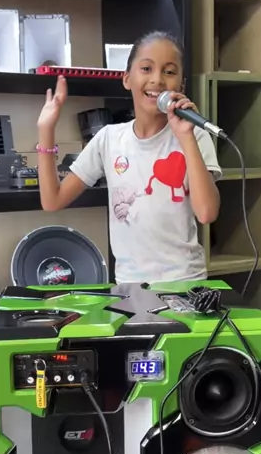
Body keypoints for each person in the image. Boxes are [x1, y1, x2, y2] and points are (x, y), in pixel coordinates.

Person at [36, 31, 221, 284]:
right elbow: (52, 200)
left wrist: (186, 136)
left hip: (185, 283)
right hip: (130, 286)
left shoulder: (195, 135)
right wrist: (46, 130)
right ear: (126, 79)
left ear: (181, 86)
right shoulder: (109, 138)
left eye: (169, 72)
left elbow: (207, 213)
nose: (157, 80)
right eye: (146, 68)